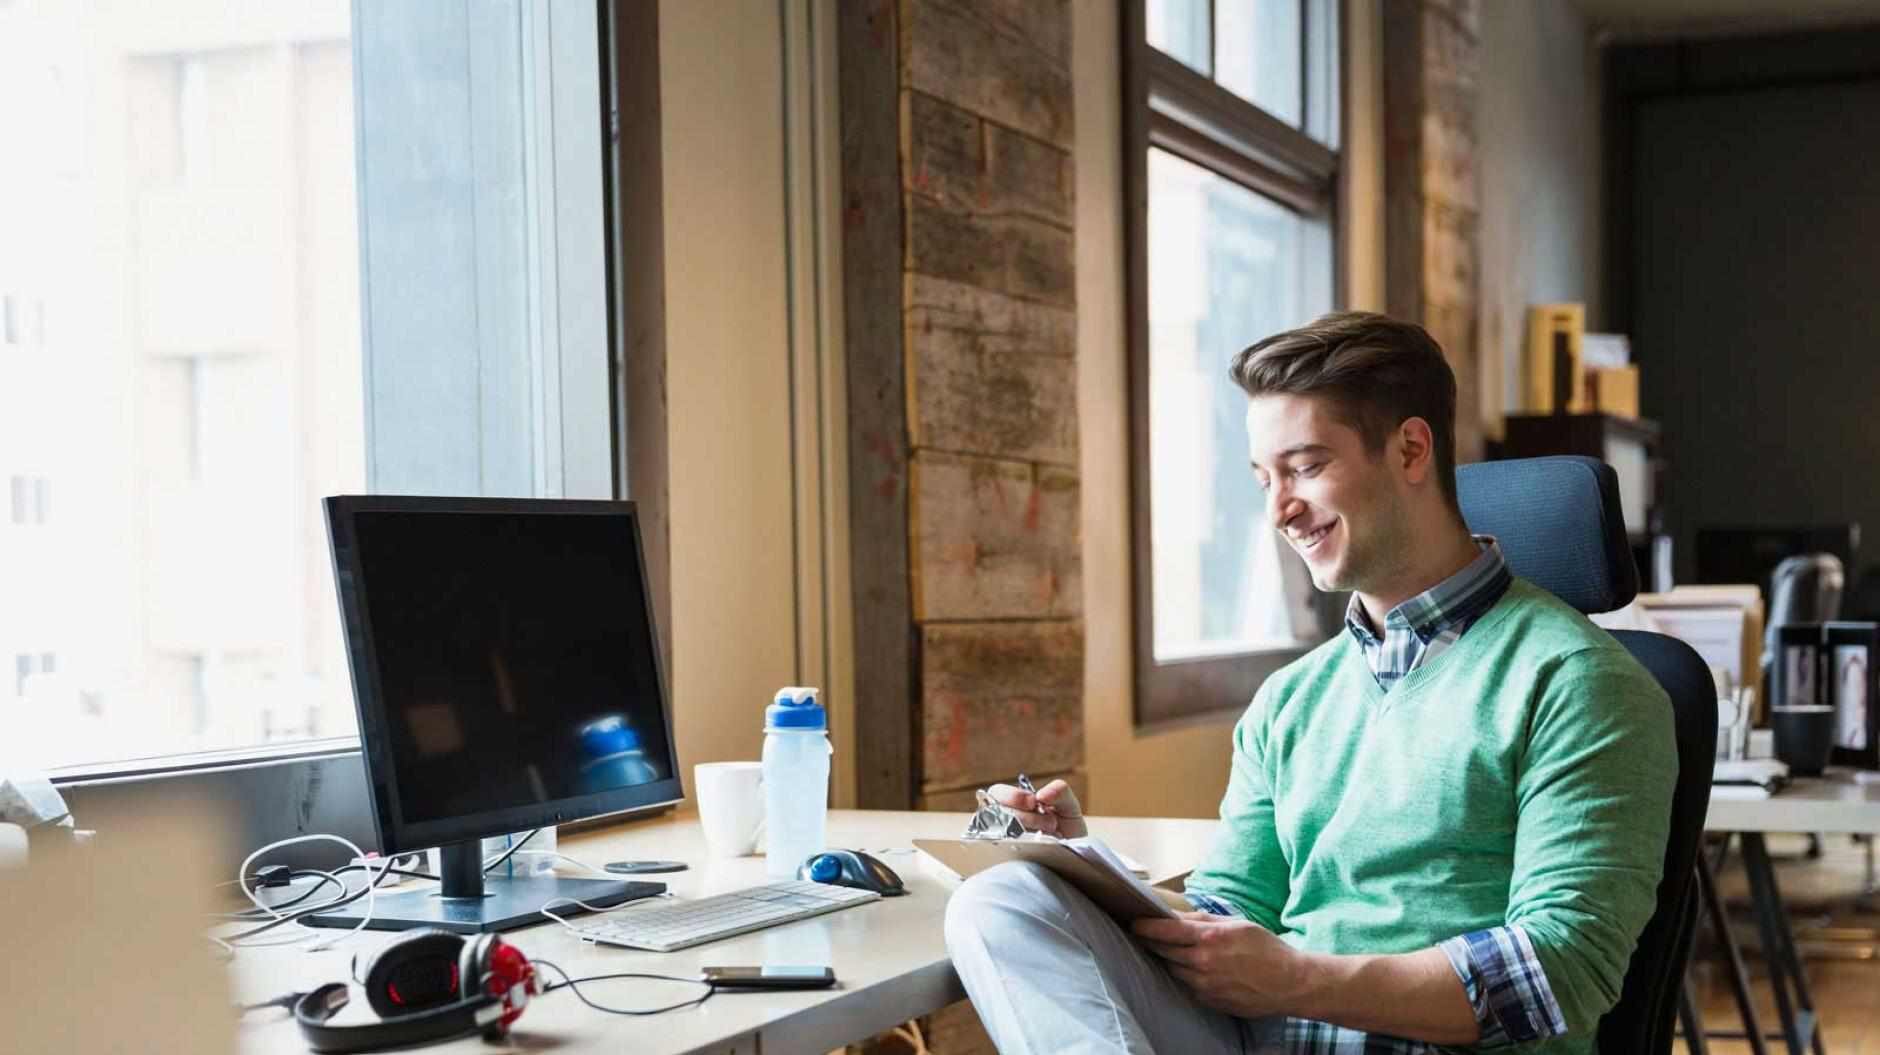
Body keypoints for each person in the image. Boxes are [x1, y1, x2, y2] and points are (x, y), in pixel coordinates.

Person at [943, 312, 1675, 1053]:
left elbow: (1562, 970)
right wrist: (1084, 872)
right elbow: (1225, 918)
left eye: (1306, 466)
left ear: (1411, 449)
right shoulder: (1290, 700)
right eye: (1265, 478)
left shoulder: (1578, 681)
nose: (1279, 511)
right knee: (999, 900)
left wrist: (1296, 979)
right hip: (1266, 1037)